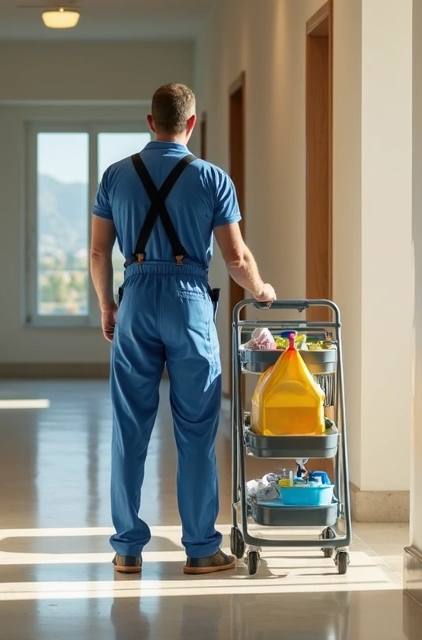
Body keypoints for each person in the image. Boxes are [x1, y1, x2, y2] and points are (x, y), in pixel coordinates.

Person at [89, 83, 276, 575]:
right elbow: (235, 258)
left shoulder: (114, 176)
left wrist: (109, 305)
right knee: (196, 430)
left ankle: (127, 548)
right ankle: (199, 549)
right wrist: (260, 289)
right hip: (190, 302)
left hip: (135, 296)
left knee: (130, 427)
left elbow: (96, 252)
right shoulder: (212, 178)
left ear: (150, 121)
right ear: (191, 124)